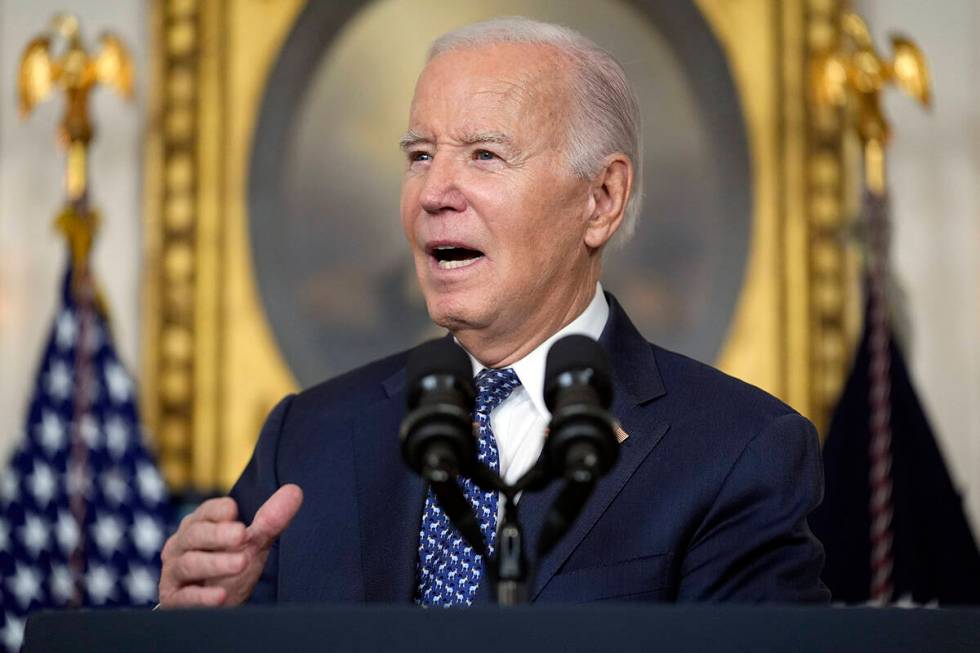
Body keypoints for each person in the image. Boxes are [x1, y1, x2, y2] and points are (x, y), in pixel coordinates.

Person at [157, 17, 830, 607]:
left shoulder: (738, 453)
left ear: (601, 198)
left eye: (485, 154)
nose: (434, 192)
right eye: (419, 156)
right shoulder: (305, 441)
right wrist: (186, 633)